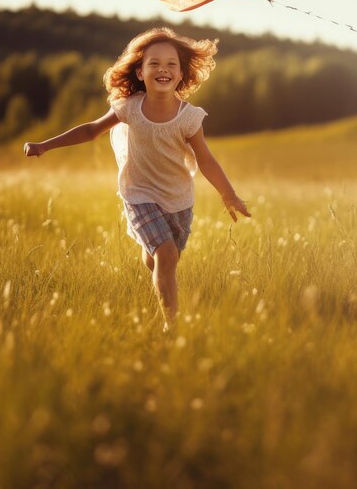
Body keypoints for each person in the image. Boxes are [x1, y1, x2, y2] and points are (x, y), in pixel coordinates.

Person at [24, 27, 250, 323]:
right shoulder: (130, 108)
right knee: (166, 256)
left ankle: (154, 261)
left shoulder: (190, 118)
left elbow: (206, 160)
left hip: (179, 199)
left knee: (161, 259)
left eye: (171, 64)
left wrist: (229, 194)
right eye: (154, 63)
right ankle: (172, 327)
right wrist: (45, 145)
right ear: (141, 72)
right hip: (139, 194)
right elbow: (92, 130)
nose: (163, 69)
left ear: (181, 75)